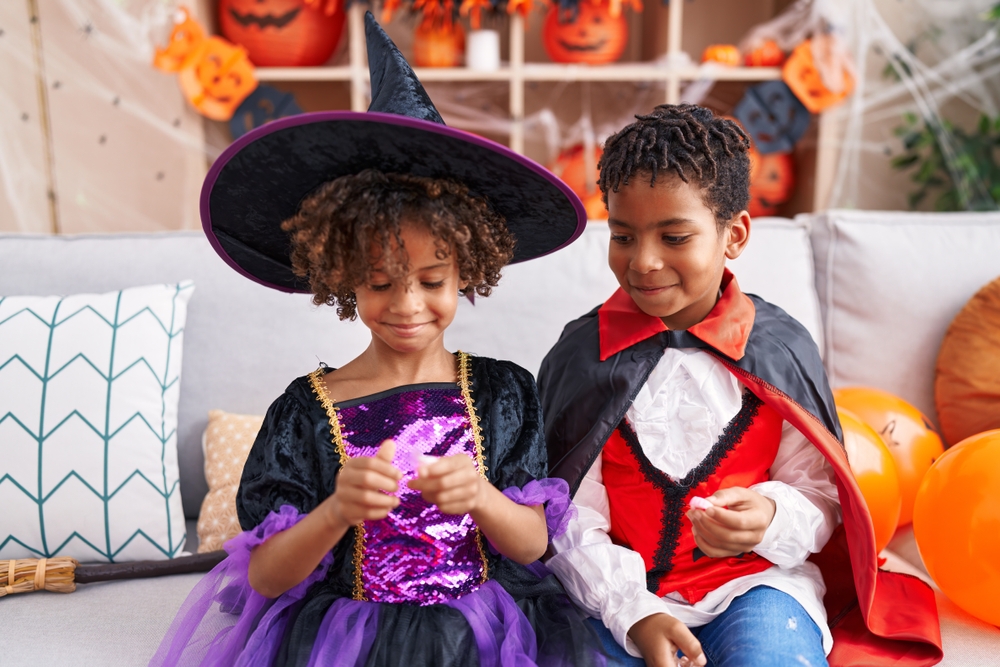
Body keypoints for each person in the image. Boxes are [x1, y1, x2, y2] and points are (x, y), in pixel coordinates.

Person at [150, 13, 605, 667]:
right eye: (381, 282)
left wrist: (481, 496)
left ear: (467, 270)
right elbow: (266, 577)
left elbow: (533, 544)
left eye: (431, 279)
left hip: (480, 630)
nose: (408, 305)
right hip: (345, 639)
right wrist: (336, 509)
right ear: (343, 277)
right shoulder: (305, 411)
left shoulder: (503, 393)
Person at [537, 105, 942, 667]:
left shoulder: (778, 347)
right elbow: (567, 513)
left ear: (735, 234)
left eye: (675, 236)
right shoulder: (582, 358)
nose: (645, 262)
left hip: (756, 587)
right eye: (624, 236)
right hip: (617, 598)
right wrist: (633, 610)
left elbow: (820, 492)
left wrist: (771, 517)